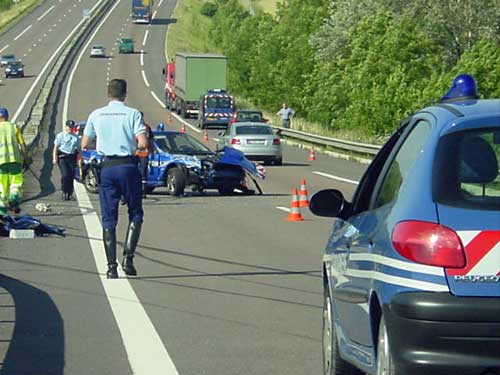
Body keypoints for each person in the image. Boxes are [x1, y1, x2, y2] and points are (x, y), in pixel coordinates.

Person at [81, 79, 148, 279]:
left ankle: (111, 267)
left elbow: (85, 143)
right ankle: (128, 258)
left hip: (107, 168)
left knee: (109, 218)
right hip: (128, 166)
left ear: (108, 94)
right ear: (125, 94)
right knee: (135, 212)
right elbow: (142, 143)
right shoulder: (133, 114)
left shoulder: (96, 114)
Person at [0, 107, 30, 215]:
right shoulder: (14, 127)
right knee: (16, 183)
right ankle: (13, 200)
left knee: (2, 186)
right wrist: (26, 159)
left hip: (0, 163)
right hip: (15, 161)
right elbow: (22, 144)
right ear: (7, 116)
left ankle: (2, 211)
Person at [52, 120, 79, 200]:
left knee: (71, 176)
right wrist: (54, 158)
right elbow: (55, 148)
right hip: (62, 157)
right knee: (65, 175)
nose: (70, 129)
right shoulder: (60, 136)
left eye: (71, 127)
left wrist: (79, 159)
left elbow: (78, 149)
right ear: (65, 127)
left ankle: (70, 193)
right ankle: (64, 192)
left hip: (71, 157)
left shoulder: (75, 137)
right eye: (69, 127)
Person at [136, 112, 154, 198]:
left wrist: (152, 150)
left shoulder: (146, 127)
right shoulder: (131, 126)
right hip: (133, 153)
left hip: (143, 153)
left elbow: (151, 139)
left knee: (143, 173)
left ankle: (143, 191)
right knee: (131, 172)